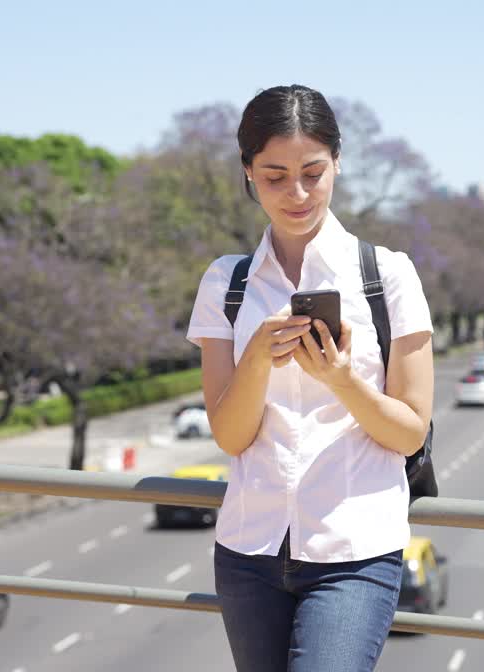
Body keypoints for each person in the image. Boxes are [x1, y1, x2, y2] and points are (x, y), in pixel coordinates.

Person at [186, 84, 435, 672]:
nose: (296, 193)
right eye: (273, 176)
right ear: (247, 172)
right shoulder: (227, 283)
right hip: (249, 550)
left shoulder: (389, 277)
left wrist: (344, 380)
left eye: (312, 172)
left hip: (356, 554)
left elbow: (409, 434)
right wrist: (255, 359)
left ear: (337, 164)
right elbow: (229, 436)